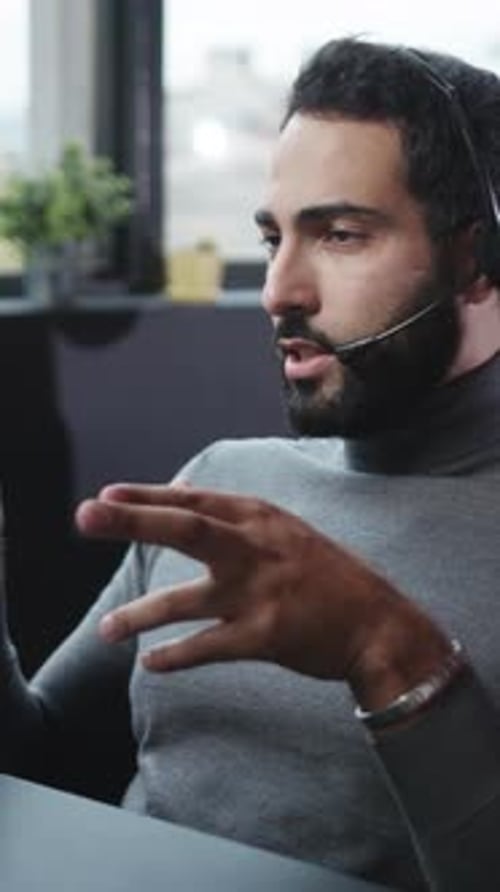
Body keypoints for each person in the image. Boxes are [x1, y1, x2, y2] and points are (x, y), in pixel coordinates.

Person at [2, 36, 500, 892]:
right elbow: (36, 765)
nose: (279, 290)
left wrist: (387, 649)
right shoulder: (223, 484)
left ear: (477, 262)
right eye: (272, 237)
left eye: (340, 234)